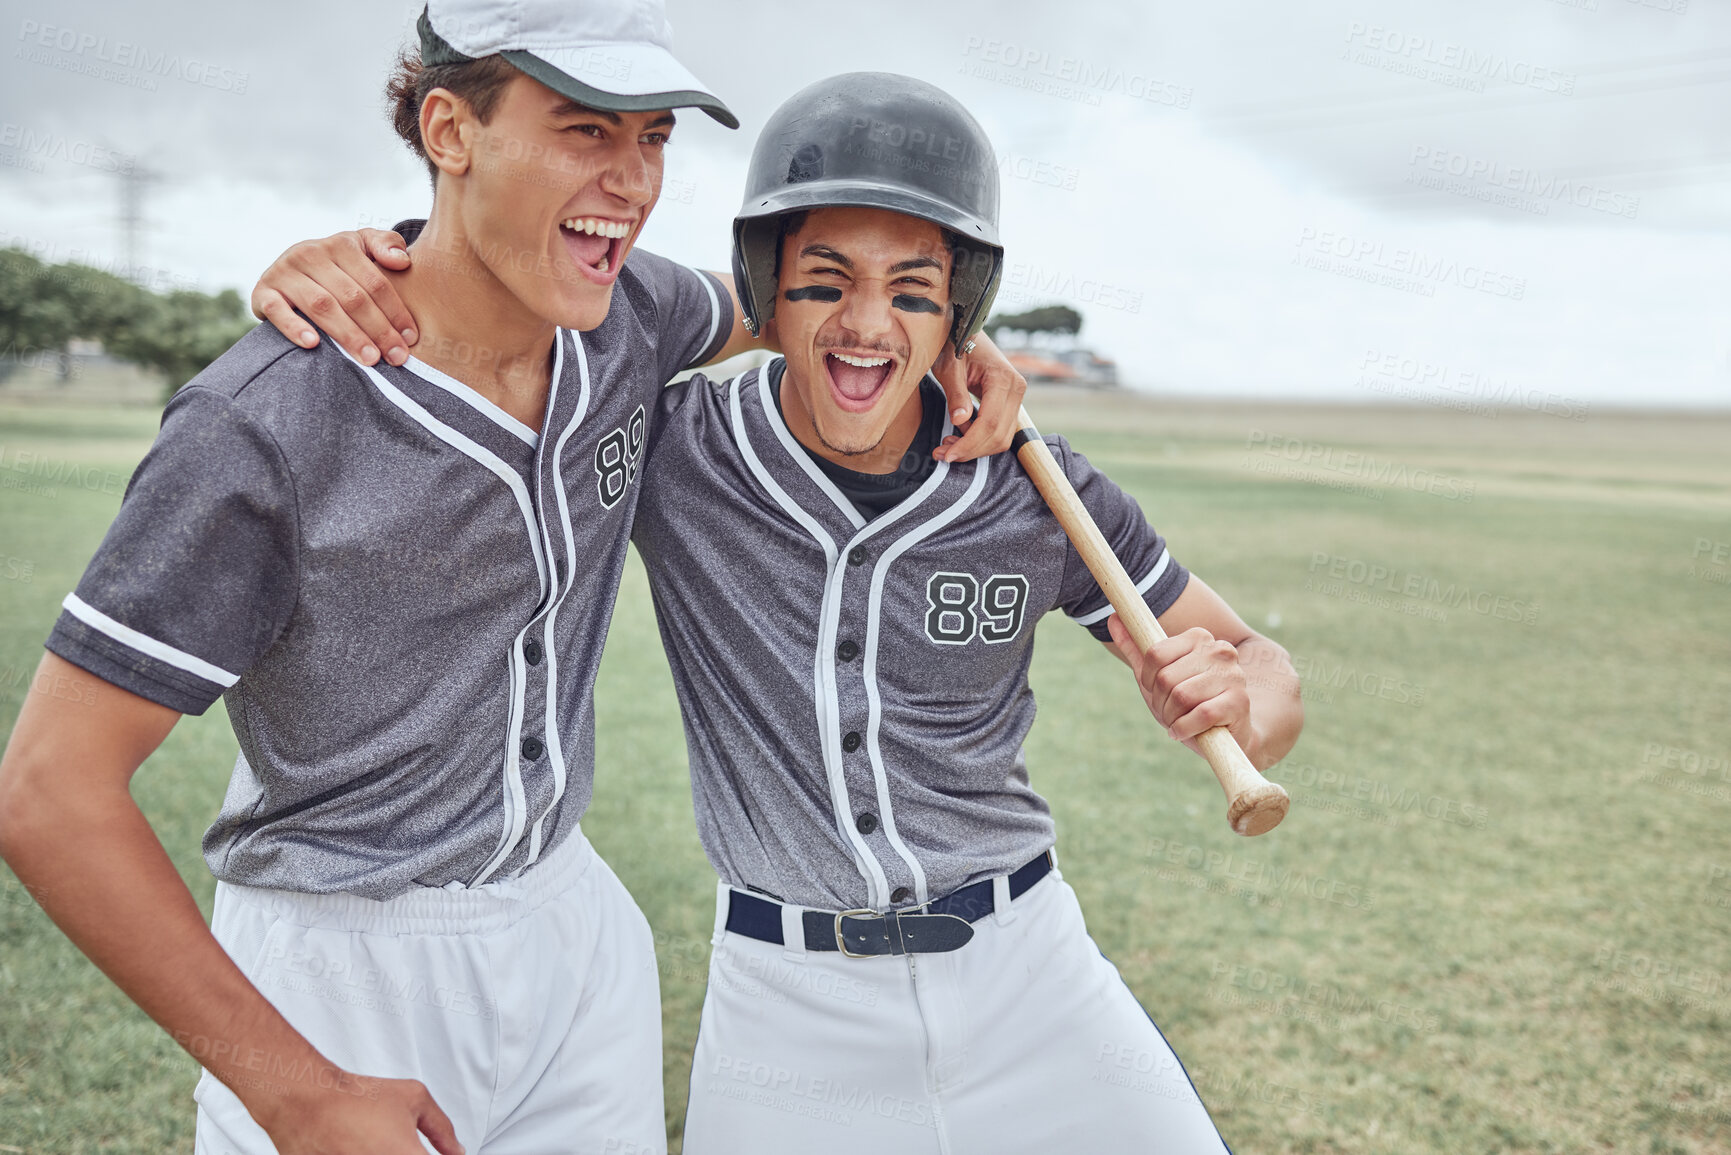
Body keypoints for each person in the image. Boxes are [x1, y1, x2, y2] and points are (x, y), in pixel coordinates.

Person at [0, 4, 1023, 1152]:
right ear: (450, 128)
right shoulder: (263, 426)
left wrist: (950, 343)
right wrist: (288, 1088)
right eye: (585, 130)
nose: (632, 181)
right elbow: (49, 793)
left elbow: (815, 305)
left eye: (653, 136)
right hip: (339, 972)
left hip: (571, 937)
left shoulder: (630, 314)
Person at [268, 72, 1305, 1149]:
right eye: (824, 282)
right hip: (786, 1005)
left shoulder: (1035, 484)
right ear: (765, 289)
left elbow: (1254, 667)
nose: (865, 327)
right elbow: (505, 300)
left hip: (1030, 971)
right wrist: (346, 260)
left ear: (963, 308)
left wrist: (1244, 695)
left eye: (914, 291)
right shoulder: (676, 448)